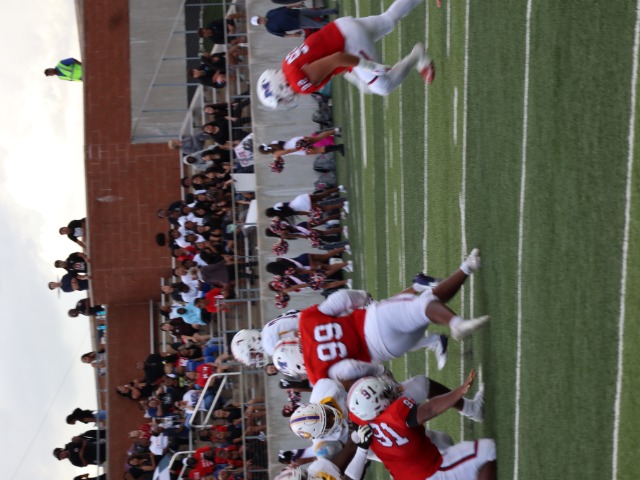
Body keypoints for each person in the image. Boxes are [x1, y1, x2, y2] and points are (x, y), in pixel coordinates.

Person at [272, 249, 488, 385]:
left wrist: (379, 369)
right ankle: (455, 322)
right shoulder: (306, 322)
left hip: (387, 350)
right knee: (424, 305)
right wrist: (363, 298)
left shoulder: (317, 375)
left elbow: (350, 368)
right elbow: (340, 299)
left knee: (428, 304)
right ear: (289, 343)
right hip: (372, 322)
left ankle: (467, 267)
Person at [257, 0, 437, 109]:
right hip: (341, 28)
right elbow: (327, 59)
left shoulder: (299, 83)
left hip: (348, 43)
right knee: (388, 19)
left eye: (281, 99)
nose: (285, 101)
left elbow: (337, 59)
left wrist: (370, 67)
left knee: (383, 87)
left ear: (280, 88)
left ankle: (417, 56)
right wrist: (356, 77)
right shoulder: (287, 65)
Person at [347, 371, 497, 479]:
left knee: (444, 441)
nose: (388, 391)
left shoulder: (360, 418)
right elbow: (429, 409)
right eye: (384, 394)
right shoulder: (396, 412)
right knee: (488, 450)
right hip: (430, 472)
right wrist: (459, 392)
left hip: (408, 475)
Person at [251, 4, 338, 38]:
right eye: (258, 22)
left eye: (259, 19)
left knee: (318, 12)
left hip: (298, 12)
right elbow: (283, 35)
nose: (260, 21)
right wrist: (293, 35)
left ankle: (335, 10)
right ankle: (336, 26)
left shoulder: (269, 13)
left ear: (259, 16)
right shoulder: (270, 29)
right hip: (298, 23)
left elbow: (284, 8)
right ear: (259, 24)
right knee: (318, 24)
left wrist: (295, 5)